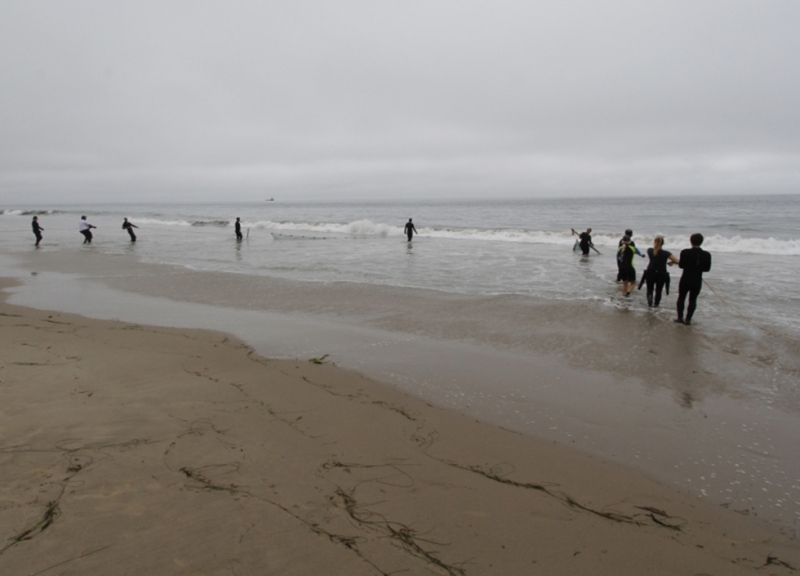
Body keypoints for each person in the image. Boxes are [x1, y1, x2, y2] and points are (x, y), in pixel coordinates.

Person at [675, 233, 712, 325]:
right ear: (702, 242)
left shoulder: (684, 252)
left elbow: (681, 266)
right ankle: (688, 319)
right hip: (697, 279)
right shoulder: (707, 254)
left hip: (685, 278)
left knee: (681, 298)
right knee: (693, 299)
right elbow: (707, 269)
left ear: (690, 241)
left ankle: (680, 318)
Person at [638, 236, 679, 307]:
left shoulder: (650, 250)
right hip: (661, 273)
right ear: (663, 243)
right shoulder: (666, 253)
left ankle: (650, 304)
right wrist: (672, 262)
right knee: (658, 291)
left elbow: (655, 256)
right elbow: (677, 261)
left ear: (654, 242)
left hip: (650, 271)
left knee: (650, 289)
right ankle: (656, 305)